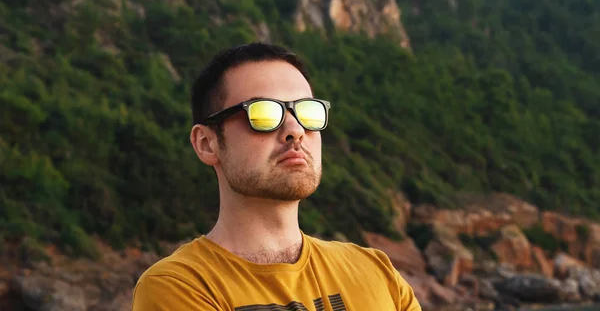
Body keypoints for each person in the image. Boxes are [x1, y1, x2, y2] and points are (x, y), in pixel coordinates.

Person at [131, 42, 421, 310]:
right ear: (207, 144)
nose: (295, 129)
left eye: (307, 111)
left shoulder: (375, 271)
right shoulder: (179, 286)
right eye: (265, 113)